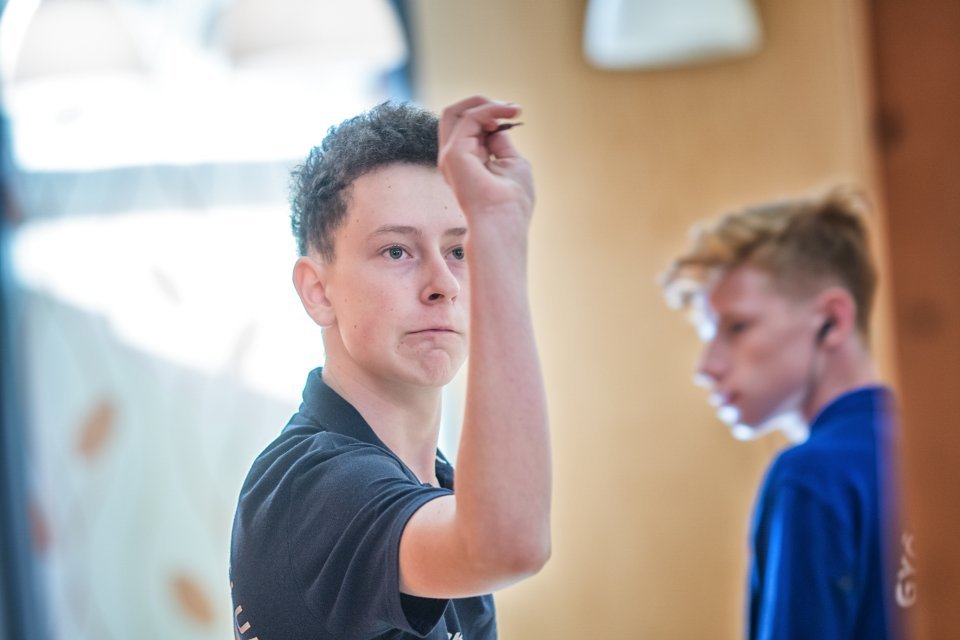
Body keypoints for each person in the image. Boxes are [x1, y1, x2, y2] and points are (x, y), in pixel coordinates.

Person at [229, 96, 551, 640]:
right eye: (397, 251)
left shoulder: (439, 484)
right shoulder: (312, 486)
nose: (443, 284)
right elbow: (506, 544)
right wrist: (501, 238)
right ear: (318, 291)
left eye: (459, 251)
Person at [660, 187, 907, 639]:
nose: (707, 366)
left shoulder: (811, 476)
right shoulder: (928, 451)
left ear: (831, 320)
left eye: (737, 327)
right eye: (708, 335)